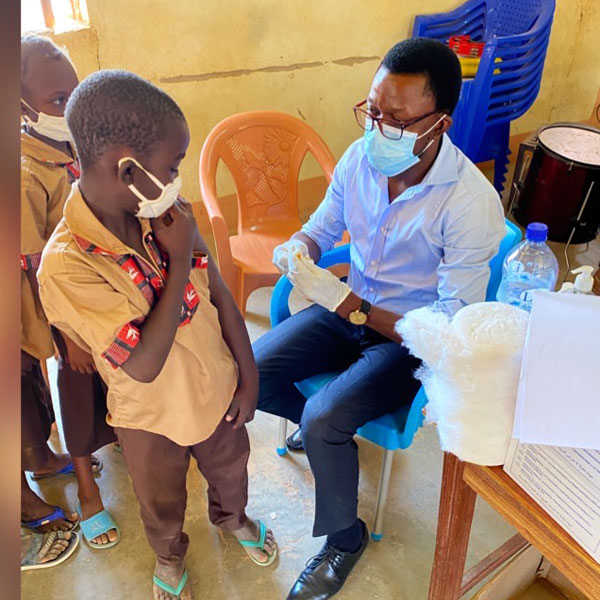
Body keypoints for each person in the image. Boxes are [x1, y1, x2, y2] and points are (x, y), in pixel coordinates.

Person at [254, 38, 506, 599]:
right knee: (248, 374)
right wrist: (299, 249)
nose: (376, 127)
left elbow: (448, 323)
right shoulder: (359, 158)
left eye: (394, 118)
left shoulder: (468, 202)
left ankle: (345, 537)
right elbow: (321, 227)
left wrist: (352, 305)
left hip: (406, 338)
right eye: (371, 109)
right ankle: (334, 440)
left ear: (438, 122)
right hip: (349, 309)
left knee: (322, 417)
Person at [38, 69, 277, 600]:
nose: (175, 178)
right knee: (160, 500)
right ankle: (169, 559)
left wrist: (249, 374)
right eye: (171, 166)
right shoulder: (67, 265)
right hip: (149, 417)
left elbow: (219, 297)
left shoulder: (164, 214)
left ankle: (233, 520)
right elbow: (142, 364)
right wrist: (175, 258)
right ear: (126, 167)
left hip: (217, 391)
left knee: (231, 470)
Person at [20, 34, 117, 547]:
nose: (70, 107)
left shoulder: (73, 144)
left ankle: (122, 436)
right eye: (58, 100)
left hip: (106, 290)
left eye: (75, 95)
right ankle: (86, 487)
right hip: (58, 307)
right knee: (73, 381)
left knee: (123, 370)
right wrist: (68, 338)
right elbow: (38, 272)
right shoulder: (22, 172)